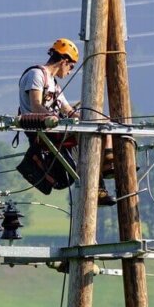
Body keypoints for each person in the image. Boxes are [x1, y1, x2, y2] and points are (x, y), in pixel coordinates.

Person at [16, 38, 116, 206]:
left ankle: (107, 166)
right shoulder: (36, 75)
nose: (69, 72)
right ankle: (99, 181)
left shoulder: (55, 85)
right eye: (71, 67)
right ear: (64, 61)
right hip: (41, 131)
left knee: (100, 128)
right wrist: (54, 118)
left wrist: (92, 120)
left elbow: (68, 110)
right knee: (86, 141)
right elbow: (36, 105)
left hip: (55, 130)